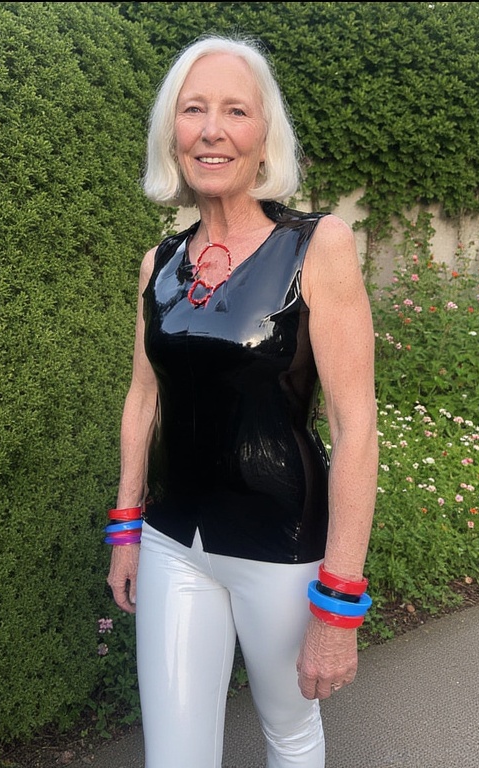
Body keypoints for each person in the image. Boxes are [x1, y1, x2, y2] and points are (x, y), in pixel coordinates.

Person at [107, 34, 378, 768]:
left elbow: (355, 426)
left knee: (290, 735)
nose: (212, 130)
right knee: (174, 755)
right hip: (173, 542)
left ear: (264, 135)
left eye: (235, 110)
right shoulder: (159, 263)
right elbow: (143, 398)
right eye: (193, 109)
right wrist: (126, 529)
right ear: (173, 133)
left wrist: (339, 600)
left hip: (282, 545)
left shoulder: (318, 245)